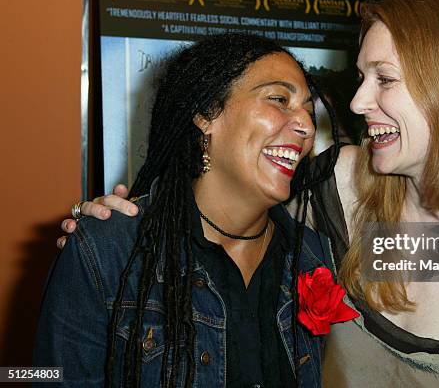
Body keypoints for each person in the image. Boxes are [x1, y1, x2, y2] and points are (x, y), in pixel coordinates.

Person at [58, 0, 439, 386]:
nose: (358, 103)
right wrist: (108, 237)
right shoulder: (330, 192)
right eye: (362, 78)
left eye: (384, 79)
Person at [36, 33, 346, 387]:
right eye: (279, 99)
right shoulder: (110, 252)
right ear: (207, 114)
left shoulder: (314, 257)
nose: (306, 126)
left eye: (308, 109)